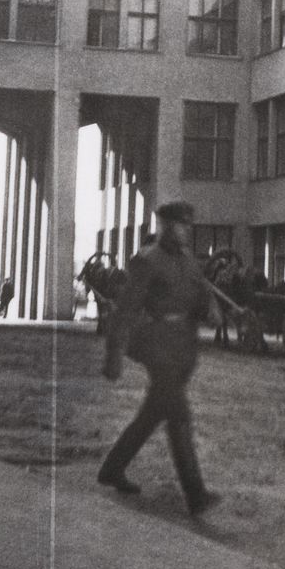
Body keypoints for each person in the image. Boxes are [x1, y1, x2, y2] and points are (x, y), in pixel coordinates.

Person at [98, 201, 219, 516]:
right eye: (181, 224)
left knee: (153, 413)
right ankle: (196, 494)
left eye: (189, 225)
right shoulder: (147, 260)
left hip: (183, 348)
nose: (187, 230)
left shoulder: (190, 261)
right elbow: (126, 309)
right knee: (179, 416)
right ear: (165, 225)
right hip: (157, 347)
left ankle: (112, 468)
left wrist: (211, 311)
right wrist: (114, 354)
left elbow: (198, 300)